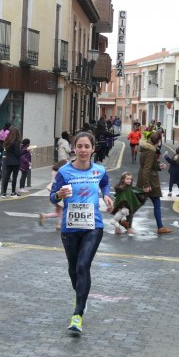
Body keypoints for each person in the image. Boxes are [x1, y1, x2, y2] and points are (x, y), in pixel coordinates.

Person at [50, 131, 114, 333]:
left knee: (83, 265)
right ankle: (81, 296)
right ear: (74, 148)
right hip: (70, 227)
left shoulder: (100, 170)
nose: (84, 150)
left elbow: (105, 183)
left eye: (87, 146)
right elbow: (53, 197)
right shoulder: (65, 172)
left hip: (93, 226)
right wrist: (59, 194)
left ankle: (77, 315)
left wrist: (107, 195)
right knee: (73, 268)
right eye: (80, 146)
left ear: (93, 149)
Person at [137, 132, 173, 235]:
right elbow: (147, 168)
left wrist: (159, 166)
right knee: (156, 204)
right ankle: (160, 227)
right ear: (158, 141)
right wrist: (146, 185)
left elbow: (149, 165)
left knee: (137, 203)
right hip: (150, 181)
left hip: (144, 179)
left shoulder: (145, 148)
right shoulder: (151, 151)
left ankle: (125, 220)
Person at [39, 159, 68, 230]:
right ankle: (59, 223)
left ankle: (45, 216)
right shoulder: (61, 172)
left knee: (58, 212)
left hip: (53, 191)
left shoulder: (54, 171)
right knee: (63, 210)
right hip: (60, 192)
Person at [0, 127, 23, 198]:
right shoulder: (16, 142)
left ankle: (4, 192)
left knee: (7, 176)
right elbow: (17, 154)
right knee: (14, 177)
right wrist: (26, 150)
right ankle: (13, 192)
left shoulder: (7, 141)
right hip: (15, 162)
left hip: (8, 161)